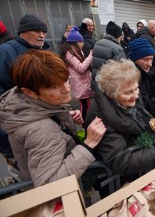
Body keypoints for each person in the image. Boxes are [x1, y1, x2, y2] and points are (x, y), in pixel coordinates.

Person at [0, 49, 106, 187]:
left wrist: (62, 118)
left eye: (65, 79)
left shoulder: (26, 103)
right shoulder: (41, 131)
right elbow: (49, 185)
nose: (67, 89)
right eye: (54, 86)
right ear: (30, 92)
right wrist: (88, 144)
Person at [85, 59, 155, 177]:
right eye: (128, 93)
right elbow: (118, 159)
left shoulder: (127, 98)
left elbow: (139, 116)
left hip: (139, 166)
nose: (136, 95)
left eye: (136, 89)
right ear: (112, 94)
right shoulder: (100, 118)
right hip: (122, 180)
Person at [0, 14, 49, 95]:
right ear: (22, 33)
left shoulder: (45, 51)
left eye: (44, 32)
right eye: (36, 31)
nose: (41, 35)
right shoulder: (5, 51)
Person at [60, 27, 93, 121]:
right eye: (81, 42)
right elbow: (81, 68)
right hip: (79, 83)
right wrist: (91, 56)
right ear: (75, 42)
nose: (83, 43)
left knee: (86, 104)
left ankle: (86, 122)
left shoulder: (76, 51)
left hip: (83, 82)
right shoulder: (69, 53)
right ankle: (84, 123)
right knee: (84, 105)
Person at [91, 21, 126, 89]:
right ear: (117, 35)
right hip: (110, 85)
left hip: (97, 82)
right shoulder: (117, 49)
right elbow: (122, 70)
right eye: (121, 34)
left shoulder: (97, 43)